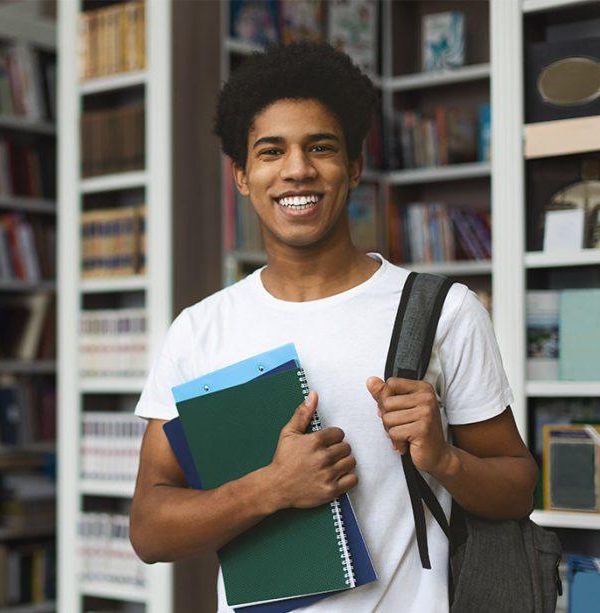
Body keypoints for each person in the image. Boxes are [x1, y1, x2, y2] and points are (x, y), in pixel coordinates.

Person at [128, 41, 537, 612]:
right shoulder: (200, 330)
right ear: (242, 176)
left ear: (354, 166)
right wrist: (270, 488)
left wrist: (444, 459)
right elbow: (149, 530)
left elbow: (518, 488)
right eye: (271, 151)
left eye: (320, 147)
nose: (297, 169)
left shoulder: (442, 310)